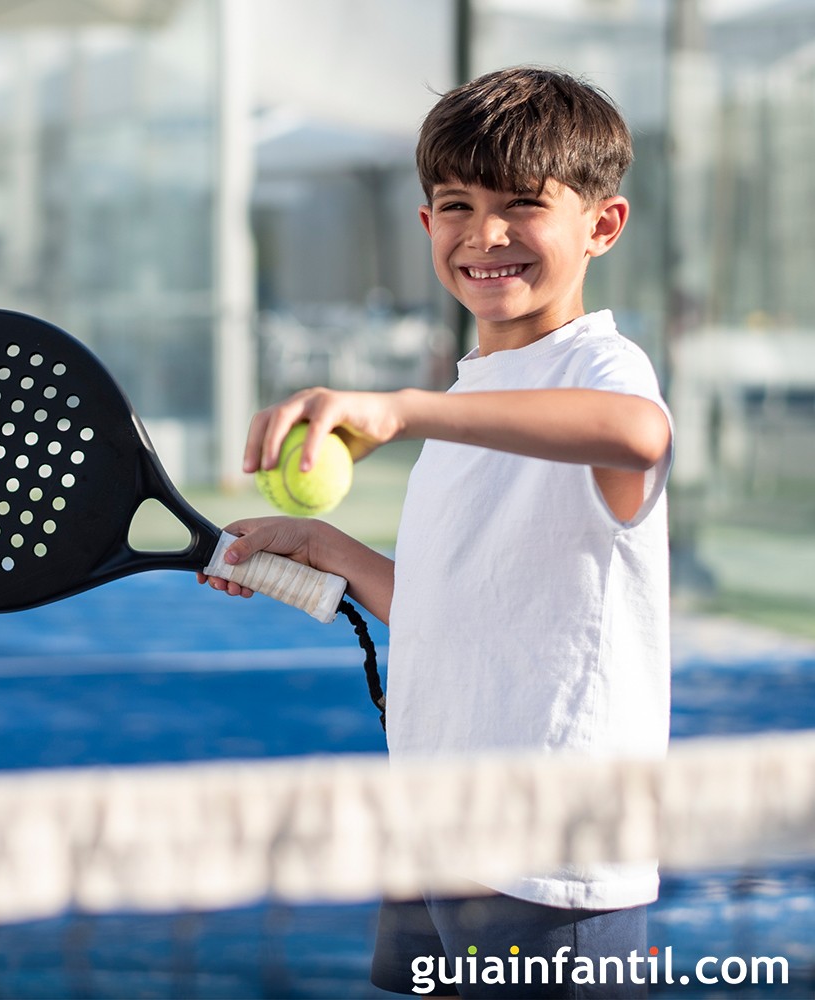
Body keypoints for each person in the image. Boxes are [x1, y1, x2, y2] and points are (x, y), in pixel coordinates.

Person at [200, 67, 672, 998]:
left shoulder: (604, 368)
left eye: (523, 205)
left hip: (550, 852)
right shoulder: (468, 394)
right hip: (437, 822)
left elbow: (637, 436)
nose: (485, 234)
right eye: (456, 204)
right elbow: (463, 603)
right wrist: (331, 554)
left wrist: (402, 411)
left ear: (602, 226)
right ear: (427, 226)